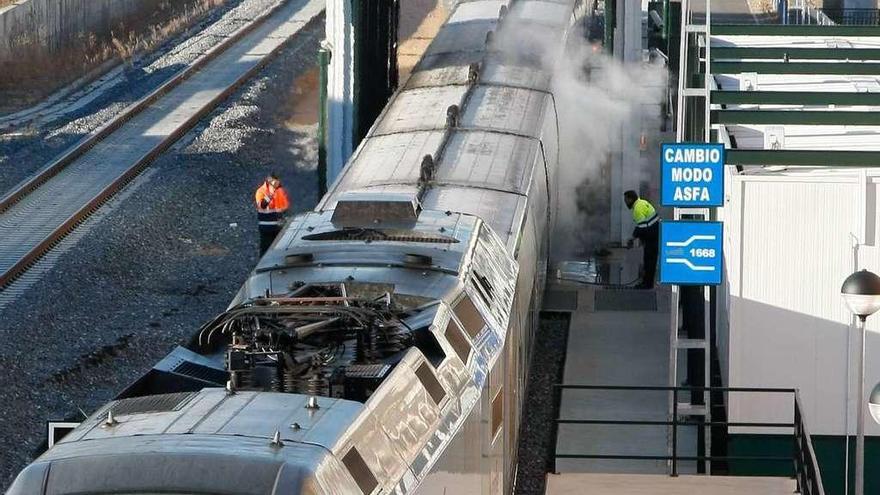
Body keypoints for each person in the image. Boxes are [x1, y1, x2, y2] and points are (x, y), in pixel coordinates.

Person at [624, 190, 659, 289]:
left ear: (630, 199)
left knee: (649, 261)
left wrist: (631, 239)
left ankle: (647, 284)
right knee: (650, 260)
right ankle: (647, 282)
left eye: (626, 200)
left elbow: (642, 227)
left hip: (652, 238)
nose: (625, 202)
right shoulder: (642, 202)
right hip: (654, 235)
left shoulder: (637, 209)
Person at [254, 174, 290, 255]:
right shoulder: (261, 191)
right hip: (266, 226)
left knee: (278, 249)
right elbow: (262, 205)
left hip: (278, 226)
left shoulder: (279, 191)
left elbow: (284, 206)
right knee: (265, 249)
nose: (276, 186)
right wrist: (270, 195)